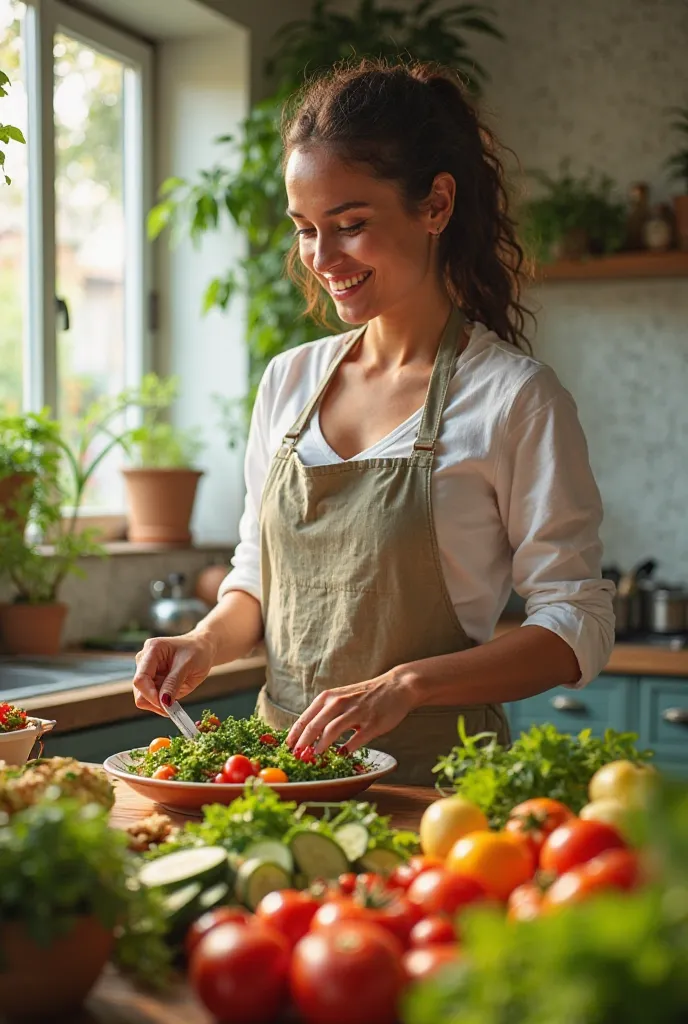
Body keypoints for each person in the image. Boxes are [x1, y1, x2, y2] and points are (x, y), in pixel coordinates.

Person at [132, 60, 615, 785]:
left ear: (436, 206)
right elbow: (256, 583)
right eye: (305, 230)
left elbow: (576, 626)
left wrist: (408, 686)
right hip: (275, 786)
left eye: (351, 226)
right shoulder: (288, 381)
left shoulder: (514, 399)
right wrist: (203, 640)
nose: (323, 260)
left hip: (441, 797)